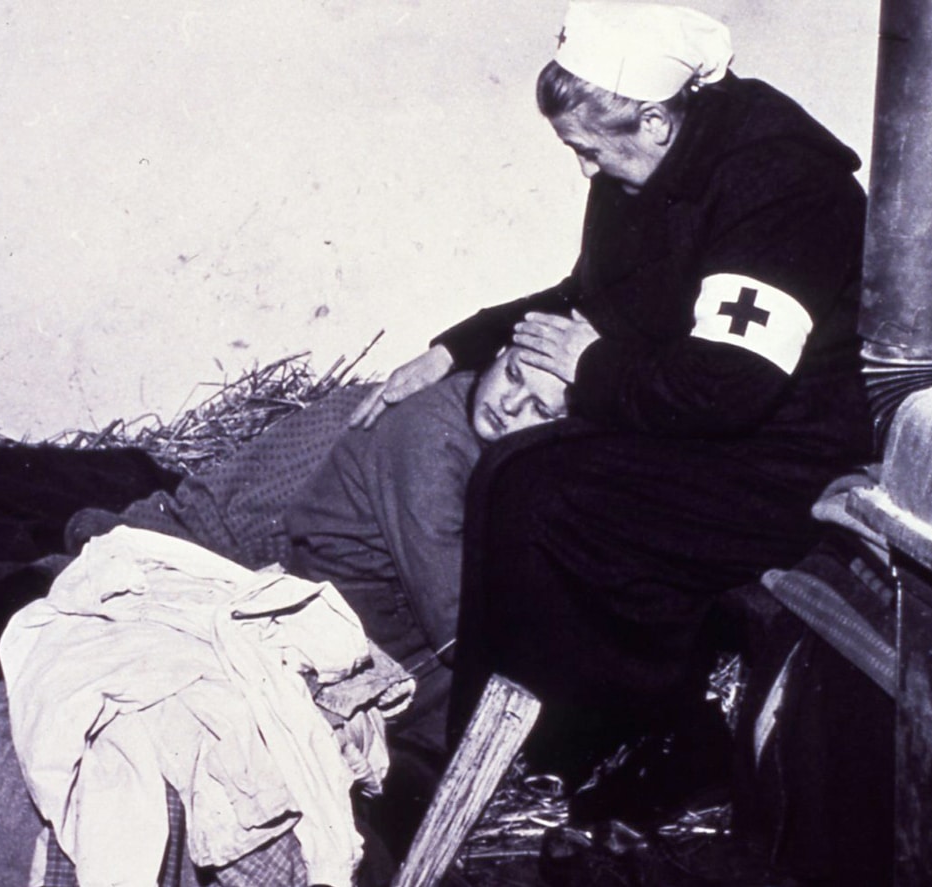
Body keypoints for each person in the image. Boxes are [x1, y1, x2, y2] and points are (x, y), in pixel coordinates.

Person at [354, 0, 875, 830]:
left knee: (549, 494)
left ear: (658, 120)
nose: (585, 168)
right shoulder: (651, 170)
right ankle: (500, 743)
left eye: (591, 148)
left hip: (788, 456)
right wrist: (457, 346)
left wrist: (590, 367)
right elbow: (592, 296)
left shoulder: (781, 187)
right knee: (514, 472)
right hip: (702, 409)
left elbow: (733, 384)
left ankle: (643, 735)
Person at [0, 343, 568, 887]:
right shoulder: (427, 434)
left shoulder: (475, 451)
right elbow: (456, 627)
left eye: (542, 405)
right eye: (515, 377)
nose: (514, 406)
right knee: (7, 670)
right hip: (183, 561)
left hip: (230, 580)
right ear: (498, 353)